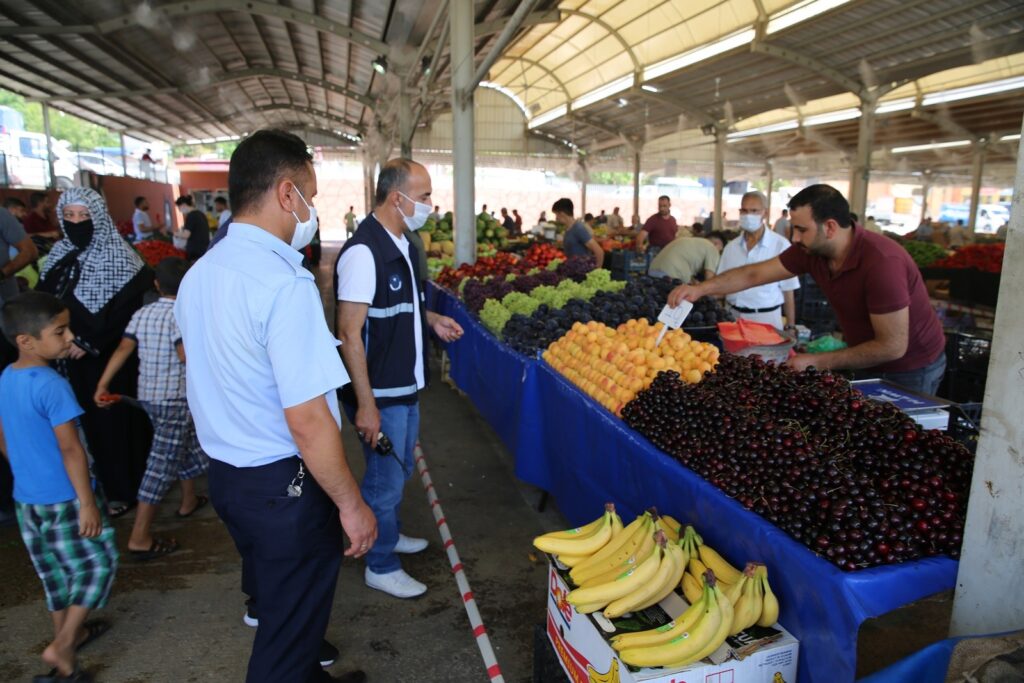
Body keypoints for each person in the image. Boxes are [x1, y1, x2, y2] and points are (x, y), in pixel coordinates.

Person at [176, 129, 373, 683]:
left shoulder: (199, 276)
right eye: (310, 194)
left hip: (232, 481)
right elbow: (308, 421)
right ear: (288, 194)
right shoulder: (284, 283)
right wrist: (351, 505)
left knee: (285, 609)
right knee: (283, 647)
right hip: (285, 485)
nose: (313, 210)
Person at [668, 184, 947, 394]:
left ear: (830, 227)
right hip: (867, 359)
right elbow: (754, 273)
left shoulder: (882, 264)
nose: (794, 237)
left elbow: (893, 346)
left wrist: (818, 361)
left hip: (911, 367)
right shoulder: (810, 250)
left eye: (801, 229)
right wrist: (701, 289)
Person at [334, 158, 462, 600]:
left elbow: (395, 304)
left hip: (404, 384)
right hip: (381, 392)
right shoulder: (362, 253)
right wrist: (366, 405)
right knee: (383, 481)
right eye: (424, 196)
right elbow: (350, 333)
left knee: (400, 467)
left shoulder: (402, 243)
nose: (430, 204)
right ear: (397, 198)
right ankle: (380, 562)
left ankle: (389, 531)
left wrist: (430, 320)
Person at [0, 291, 118, 681]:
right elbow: (71, 449)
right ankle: (63, 644)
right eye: (60, 331)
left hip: (27, 499)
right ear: (26, 340)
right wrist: (87, 502)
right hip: (65, 496)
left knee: (54, 574)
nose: (69, 339)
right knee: (99, 563)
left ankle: (69, 639)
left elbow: (2, 434)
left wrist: (24, 468)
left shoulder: (7, 376)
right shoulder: (51, 384)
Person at [37, 187, 154, 518]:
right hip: (65, 361)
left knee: (112, 426)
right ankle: (91, 486)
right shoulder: (60, 254)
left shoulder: (121, 257)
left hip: (108, 361)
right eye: (70, 216)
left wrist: (87, 341)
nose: (77, 222)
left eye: (84, 216)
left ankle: (124, 489)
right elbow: (43, 299)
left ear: (99, 217)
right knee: (76, 425)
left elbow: (126, 314)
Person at [94, 257, 208, 561]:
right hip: (175, 399)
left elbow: (123, 348)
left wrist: (102, 384)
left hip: (149, 397)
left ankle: (188, 501)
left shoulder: (143, 313)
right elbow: (185, 355)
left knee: (184, 447)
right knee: (160, 466)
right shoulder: (181, 314)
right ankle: (140, 537)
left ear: (156, 285)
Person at [717, 191, 799, 330]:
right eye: (744, 210)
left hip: (765, 318)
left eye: (754, 211)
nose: (748, 215)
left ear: (765, 213)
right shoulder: (731, 247)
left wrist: (791, 326)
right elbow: (721, 284)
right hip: (732, 316)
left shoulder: (780, 245)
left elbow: (788, 290)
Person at [551, 198, 603, 267]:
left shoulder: (578, 228)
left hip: (581, 272)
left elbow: (599, 251)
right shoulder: (569, 229)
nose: (556, 218)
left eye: (556, 215)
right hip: (573, 271)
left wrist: (597, 270)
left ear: (562, 214)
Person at [649, 235, 720, 282]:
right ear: (717, 243)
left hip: (653, 270)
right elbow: (709, 278)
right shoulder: (712, 248)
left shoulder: (692, 242)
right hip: (672, 274)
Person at [175, 195, 210, 261]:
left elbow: (186, 235)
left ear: (184, 205)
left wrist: (175, 234)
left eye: (179, 208)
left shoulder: (191, 216)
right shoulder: (201, 214)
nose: (180, 210)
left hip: (195, 252)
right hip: (204, 249)